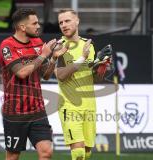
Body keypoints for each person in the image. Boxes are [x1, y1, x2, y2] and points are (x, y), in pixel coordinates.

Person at [0, 8, 67, 160]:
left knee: (46, 152)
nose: (38, 26)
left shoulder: (37, 42)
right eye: (34, 23)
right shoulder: (7, 46)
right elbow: (21, 73)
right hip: (15, 113)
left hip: (37, 110)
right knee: (13, 156)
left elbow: (47, 75)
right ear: (22, 27)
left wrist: (54, 58)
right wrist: (43, 54)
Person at [55, 9, 99, 160]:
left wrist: (102, 67)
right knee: (78, 153)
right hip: (69, 105)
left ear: (77, 21)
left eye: (67, 21)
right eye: (61, 22)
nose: (64, 25)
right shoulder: (59, 46)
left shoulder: (88, 45)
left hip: (89, 105)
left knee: (87, 153)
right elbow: (60, 75)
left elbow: (94, 78)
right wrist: (82, 59)